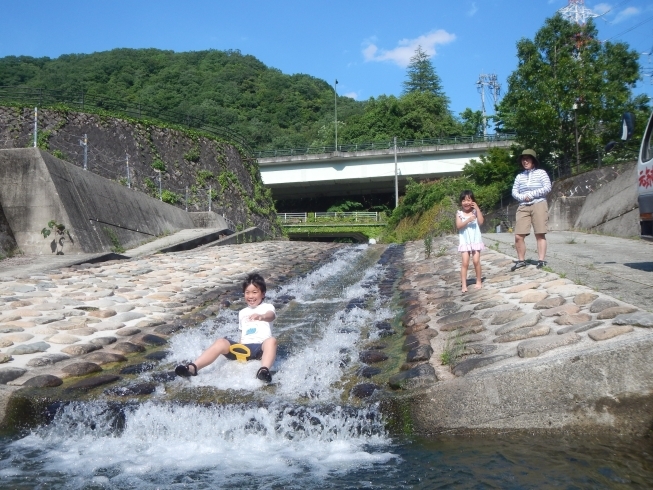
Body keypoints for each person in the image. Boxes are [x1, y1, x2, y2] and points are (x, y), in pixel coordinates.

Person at [175, 273, 277, 383]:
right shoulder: (242, 312)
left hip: (260, 348)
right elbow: (244, 334)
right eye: (247, 292)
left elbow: (271, 316)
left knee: (272, 341)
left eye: (254, 292)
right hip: (244, 349)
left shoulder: (268, 307)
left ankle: (263, 370)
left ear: (263, 294)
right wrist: (238, 345)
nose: (250, 296)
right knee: (221, 341)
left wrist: (262, 316)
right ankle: (193, 367)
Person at [511, 149, 552, 271]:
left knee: (540, 233)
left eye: (527, 159)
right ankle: (521, 260)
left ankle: (541, 260)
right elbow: (514, 191)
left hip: (539, 203)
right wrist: (523, 197)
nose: (525, 161)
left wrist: (532, 194)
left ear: (533, 160)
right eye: (523, 159)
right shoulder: (519, 176)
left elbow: (547, 187)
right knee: (518, 235)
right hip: (523, 205)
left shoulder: (541, 173)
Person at [455, 190, 485, 293]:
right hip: (465, 242)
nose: (466, 202)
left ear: (473, 201)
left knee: (476, 261)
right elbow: (459, 226)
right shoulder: (459, 214)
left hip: (476, 240)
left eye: (468, 200)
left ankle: (478, 281)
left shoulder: (475, 212)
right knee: (465, 263)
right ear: (461, 202)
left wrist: (477, 209)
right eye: (463, 200)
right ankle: (464, 284)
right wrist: (468, 220)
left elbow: (481, 222)